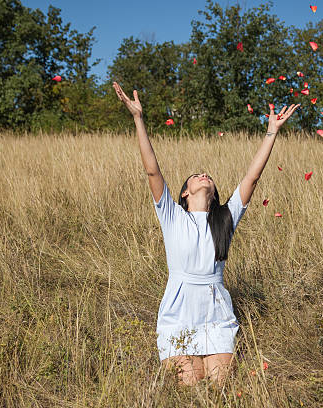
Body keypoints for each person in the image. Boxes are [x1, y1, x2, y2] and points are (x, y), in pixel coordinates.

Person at [112, 82, 300, 386]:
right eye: (196, 177)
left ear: (213, 193)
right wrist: (138, 119)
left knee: (220, 384)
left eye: (208, 177)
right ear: (184, 192)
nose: (204, 176)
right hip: (178, 311)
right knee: (189, 385)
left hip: (216, 312)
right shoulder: (172, 216)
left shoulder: (225, 218)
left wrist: (271, 132)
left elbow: (252, 177)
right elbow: (152, 172)